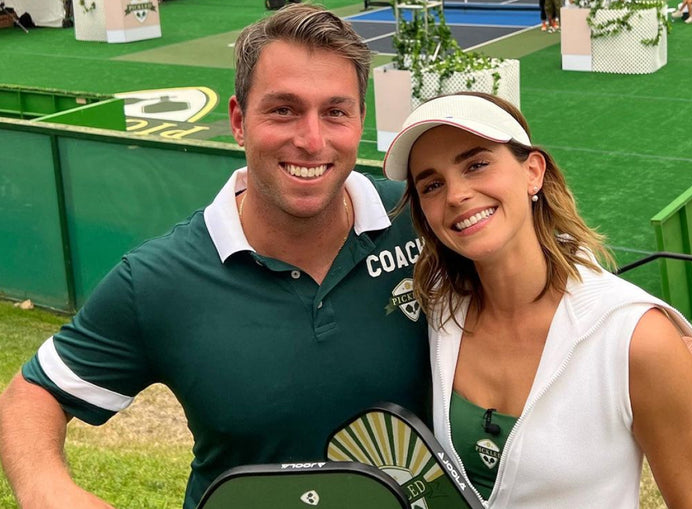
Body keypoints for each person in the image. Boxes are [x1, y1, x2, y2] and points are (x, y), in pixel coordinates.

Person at [0, 5, 430, 509]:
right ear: (238, 122)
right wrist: (47, 489)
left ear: (360, 121)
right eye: (283, 110)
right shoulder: (160, 279)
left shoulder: (420, 217)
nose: (312, 140)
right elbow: (31, 393)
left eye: (335, 111)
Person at [383, 92, 692, 508]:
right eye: (432, 184)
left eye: (476, 164)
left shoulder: (637, 338)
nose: (455, 195)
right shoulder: (437, 313)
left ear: (533, 172)